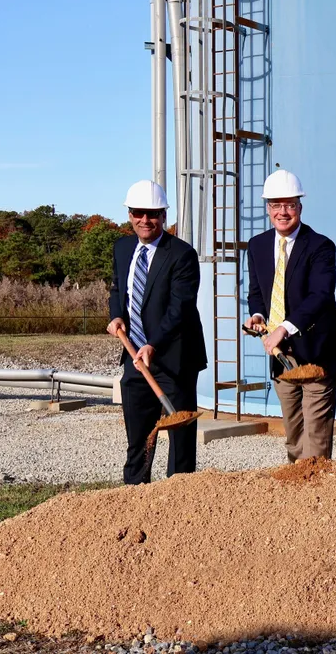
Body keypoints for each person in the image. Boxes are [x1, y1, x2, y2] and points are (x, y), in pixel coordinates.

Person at [244, 169, 336, 463]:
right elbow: (257, 291)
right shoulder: (258, 246)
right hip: (282, 358)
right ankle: (297, 499)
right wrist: (258, 316)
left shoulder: (321, 246)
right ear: (268, 208)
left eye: (290, 205)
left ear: (300, 207)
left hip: (319, 353)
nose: (283, 212)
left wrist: (284, 328)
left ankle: (317, 497)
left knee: (315, 440)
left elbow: (321, 295)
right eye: (276, 205)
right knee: (294, 436)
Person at [107, 180, 206, 485]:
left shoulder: (181, 254)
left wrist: (153, 344)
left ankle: (179, 498)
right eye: (138, 213)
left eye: (152, 213)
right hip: (135, 357)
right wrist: (116, 316)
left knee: (180, 440)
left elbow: (181, 308)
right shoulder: (122, 248)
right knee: (138, 434)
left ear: (164, 215)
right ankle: (136, 493)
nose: (145, 220)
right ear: (130, 214)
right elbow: (117, 288)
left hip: (175, 358)